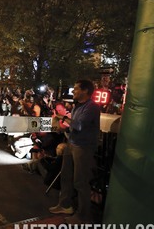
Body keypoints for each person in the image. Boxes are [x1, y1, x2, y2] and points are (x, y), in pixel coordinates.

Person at [49, 79, 100, 224]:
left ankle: (83, 216)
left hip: (83, 148)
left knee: (80, 182)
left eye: (76, 89)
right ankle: (65, 205)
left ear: (85, 91)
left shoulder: (92, 107)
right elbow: (73, 127)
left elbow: (79, 126)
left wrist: (63, 118)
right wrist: (64, 128)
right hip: (72, 144)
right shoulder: (77, 106)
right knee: (66, 176)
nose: (73, 91)